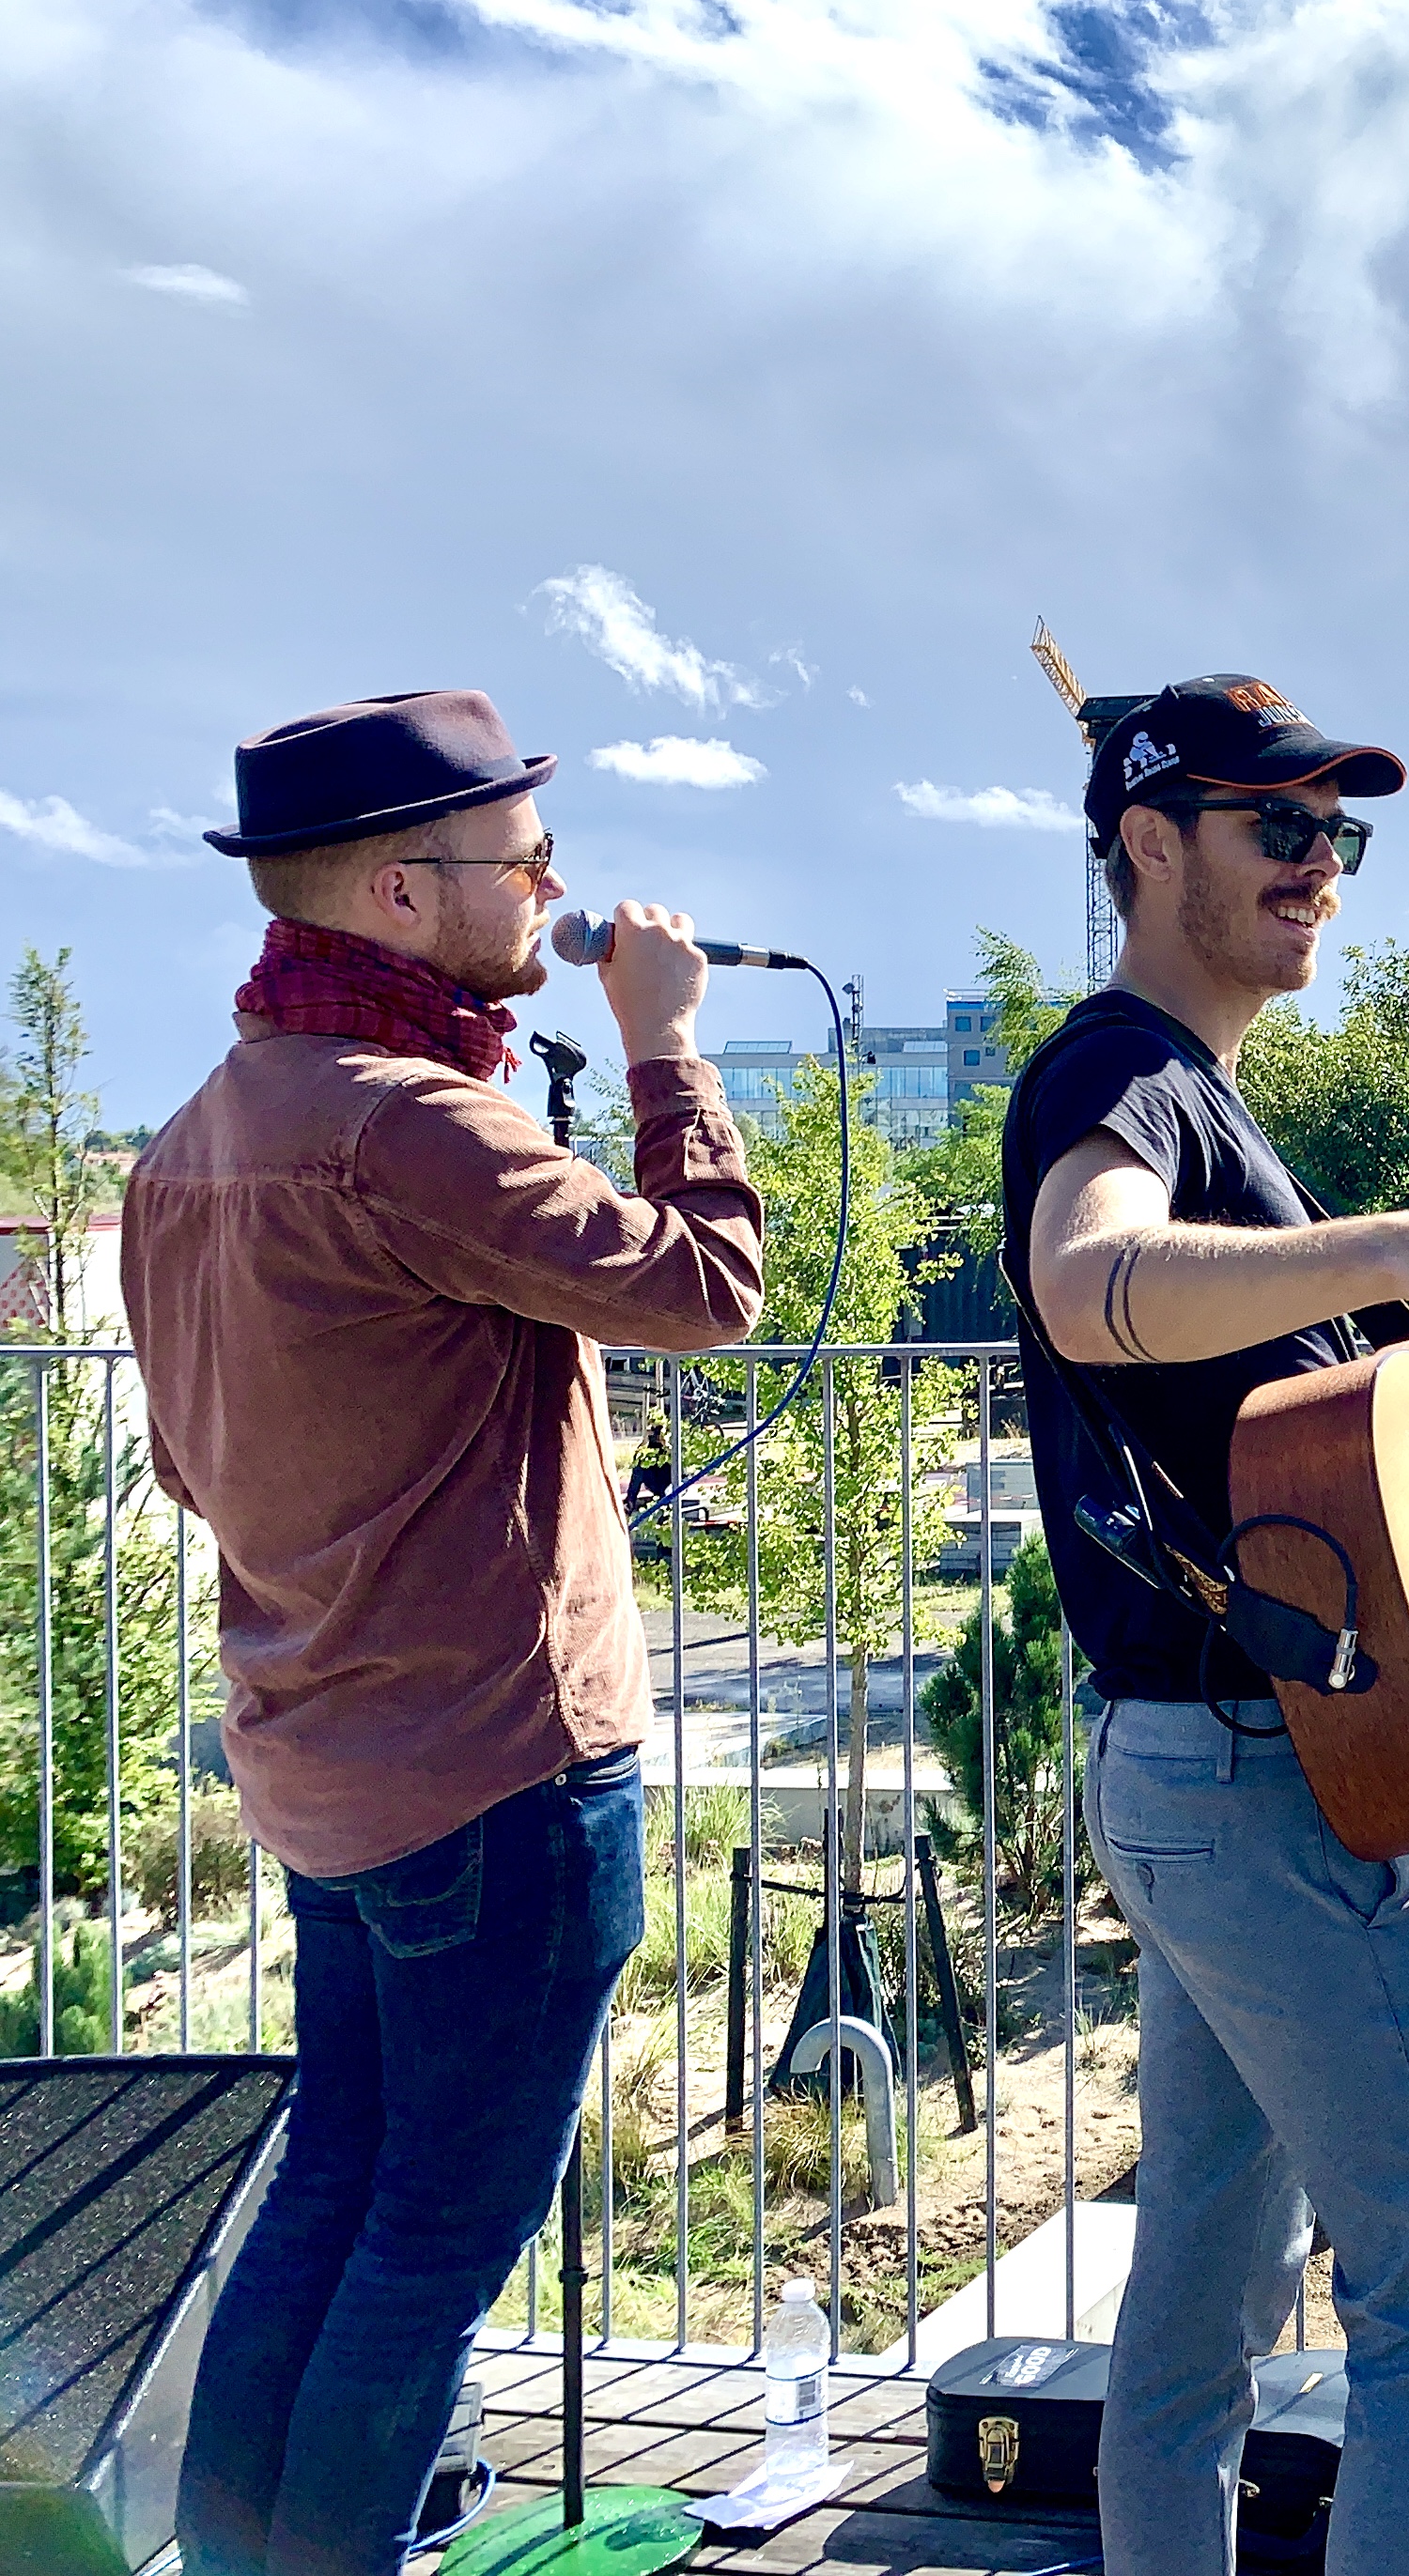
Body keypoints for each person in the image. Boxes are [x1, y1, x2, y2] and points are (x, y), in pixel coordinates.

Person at [1006, 672, 1409, 2576]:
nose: (1320, 867)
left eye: (1335, 836)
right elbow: (1085, 1283)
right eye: (1275, 827)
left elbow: (1348, 1512)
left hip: (1217, 1769)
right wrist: (1404, 1246)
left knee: (1201, 2309)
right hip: (1263, 1784)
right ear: (1146, 841)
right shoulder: (1116, 1080)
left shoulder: (1203, 1103)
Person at [123, 693, 765, 2576]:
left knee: (331, 2197)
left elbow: (185, 1461)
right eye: (522, 860)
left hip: (325, 1767)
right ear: (405, 893)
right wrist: (668, 1051)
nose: (552, 887)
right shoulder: (414, 1127)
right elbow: (707, 1286)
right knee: (429, 2247)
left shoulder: (193, 1142)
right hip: (502, 1772)